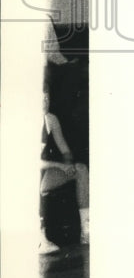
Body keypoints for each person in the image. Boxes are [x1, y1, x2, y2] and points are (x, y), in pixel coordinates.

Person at [40, 87, 89, 253]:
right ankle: (40, 238)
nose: (44, 102)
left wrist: (68, 165)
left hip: (44, 176)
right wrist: (60, 166)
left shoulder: (51, 119)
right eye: (40, 98)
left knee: (80, 169)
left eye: (47, 98)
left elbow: (65, 151)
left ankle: (86, 230)